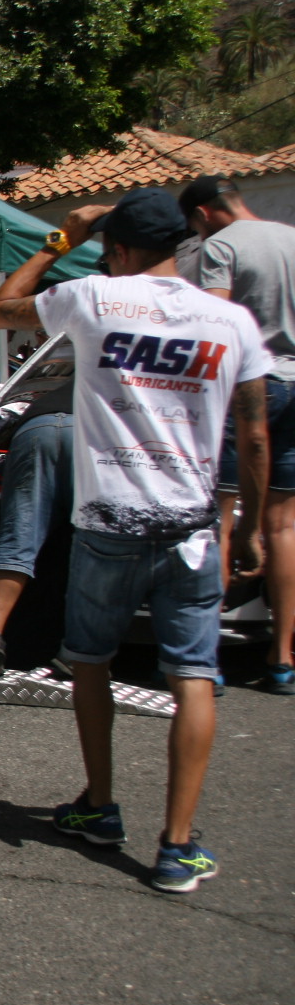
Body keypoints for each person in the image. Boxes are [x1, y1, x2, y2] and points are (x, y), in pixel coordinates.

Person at [0, 187, 271, 894]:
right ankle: (177, 846)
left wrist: (60, 240)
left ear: (115, 248)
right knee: (193, 676)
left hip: (108, 522)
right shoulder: (232, 321)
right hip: (193, 528)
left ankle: (100, 806)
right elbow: (256, 434)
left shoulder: (93, 297)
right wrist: (252, 525)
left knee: (90, 663)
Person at [181, 174, 295, 694]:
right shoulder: (290, 237)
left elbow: (216, 322)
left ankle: (206, 658)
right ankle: (282, 659)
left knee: (221, 523)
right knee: (283, 526)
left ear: (203, 214)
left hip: (251, 387)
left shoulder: (221, 247)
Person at [0, 368, 75, 676]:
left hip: (36, 427)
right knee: (94, 545)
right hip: (91, 434)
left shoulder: (71, 380)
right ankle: (77, 652)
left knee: (18, 539)